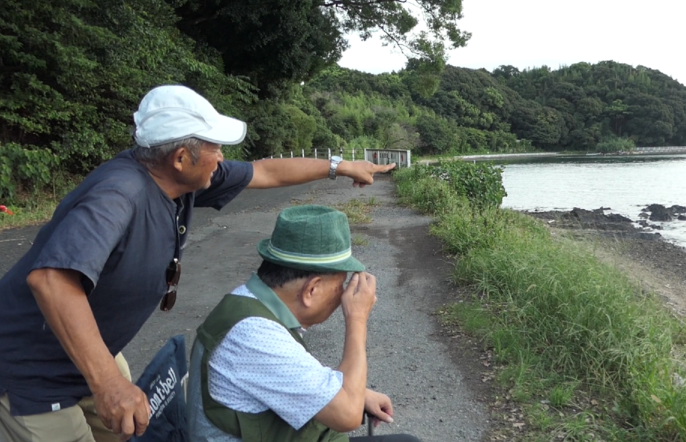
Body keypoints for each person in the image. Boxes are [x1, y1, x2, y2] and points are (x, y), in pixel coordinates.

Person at [0, 85, 395, 442]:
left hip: (90, 349)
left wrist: (339, 167)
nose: (221, 157)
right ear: (180, 156)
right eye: (214, 147)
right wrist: (107, 383)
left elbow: (265, 171)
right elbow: (52, 280)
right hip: (32, 372)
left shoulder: (184, 180)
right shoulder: (117, 197)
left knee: (127, 432)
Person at [187, 205, 418, 442]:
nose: (342, 295)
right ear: (312, 289)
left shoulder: (250, 302)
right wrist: (357, 320)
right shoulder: (253, 334)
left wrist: (359, 393)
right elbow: (347, 414)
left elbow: (288, 374)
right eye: (340, 285)